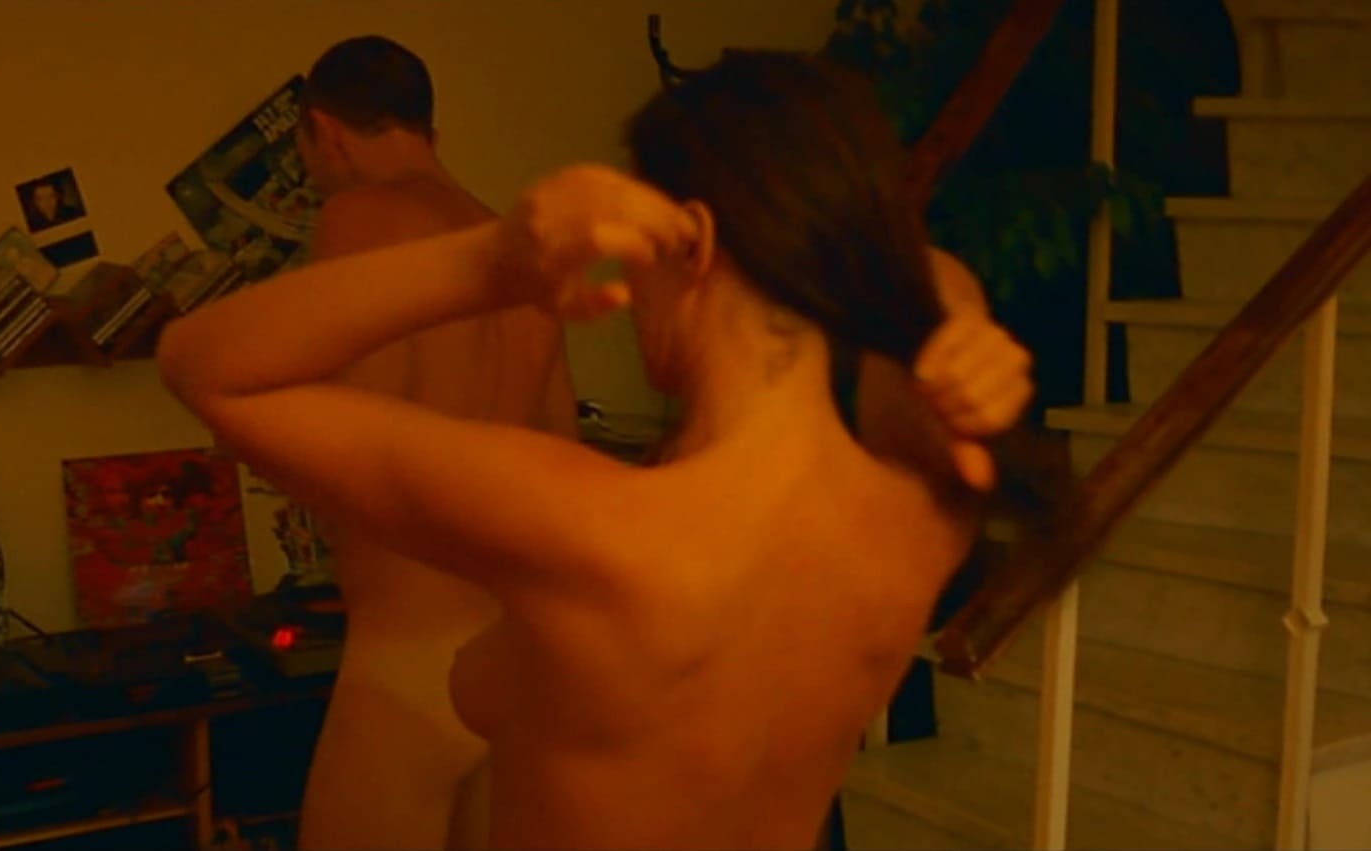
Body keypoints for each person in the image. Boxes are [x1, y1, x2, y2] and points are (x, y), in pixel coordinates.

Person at [159, 52, 1033, 849]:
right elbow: (927, 271)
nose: (623, 289)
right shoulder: (922, 512)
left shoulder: (589, 528)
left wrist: (491, 262)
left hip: (409, 656)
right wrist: (956, 323)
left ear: (692, 243)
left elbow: (205, 366)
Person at [285, 35, 580, 850]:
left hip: (406, 647)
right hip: (504, 641)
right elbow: (559, 444)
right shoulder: (511, 246)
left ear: (324, 131)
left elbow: (356, 425)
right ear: (428, 132)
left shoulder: (357, 217)